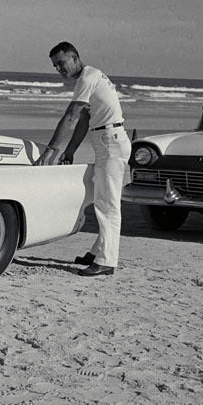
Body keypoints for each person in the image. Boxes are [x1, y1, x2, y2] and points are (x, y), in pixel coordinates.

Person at [36, 41, 131, 277]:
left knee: (107, 204)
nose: (59, 69)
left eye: (61, 63)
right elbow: (85, 120)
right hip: (106, 139)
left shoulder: (87, 78)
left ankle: (107, 261)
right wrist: (69, 150)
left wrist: (51, 150)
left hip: (111, 141)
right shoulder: (89, 78)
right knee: (102, 198)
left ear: (75, 58)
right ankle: (97, 251)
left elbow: (71, 116)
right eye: (55, 66)